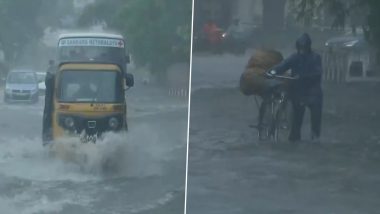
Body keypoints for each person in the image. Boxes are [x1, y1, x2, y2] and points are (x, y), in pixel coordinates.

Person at [268, 33, 323, 143]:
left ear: (308, 47)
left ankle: (315, 140)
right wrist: (272, 71)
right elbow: (282, 66)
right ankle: (294, 141)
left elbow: (318, 73)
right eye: (300, 48)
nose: (302, 50)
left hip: (313, 92)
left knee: (315, 121)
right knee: (296, 121)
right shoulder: (295, 57)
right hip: (298, 92)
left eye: (304, 48)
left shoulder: (316, 58)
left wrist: (303, 77)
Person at [42, 60, 56, 145]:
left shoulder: (52, 72)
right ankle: (47, 138)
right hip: (51, 104)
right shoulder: (51, 74)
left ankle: (47, 138)